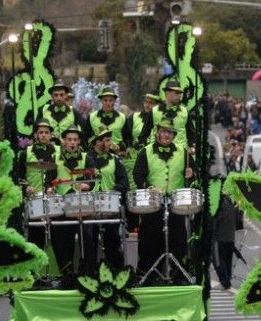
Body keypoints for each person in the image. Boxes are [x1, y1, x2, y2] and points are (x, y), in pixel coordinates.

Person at [132, 118, 195, 281]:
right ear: (157, 133)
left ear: (174, 135)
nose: (166, 135)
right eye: (163, 131)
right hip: (153, 202)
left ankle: (177, 273)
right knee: (150, 237)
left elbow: (194, 175)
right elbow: (138, 175)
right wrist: (148, 187)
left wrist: (191, 174)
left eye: (169, 132)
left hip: (175, 202)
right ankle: (148, 272)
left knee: (178, 237)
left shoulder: (183, 152)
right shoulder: (145, 152)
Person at [50, 125, 92, 281]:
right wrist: (50, 189)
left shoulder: (87, 157)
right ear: (63, 142)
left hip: (81, 203)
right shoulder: (55, 158)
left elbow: (92, 180)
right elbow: (49, 180)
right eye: (69, 140)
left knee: (87, 235)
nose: (72, 142)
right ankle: (66, 275)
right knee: (62, 239)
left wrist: (86, 185)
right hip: (62, 204)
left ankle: (87, 273)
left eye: (75, 139)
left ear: (79, 141)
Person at [13, 119, 57, 254]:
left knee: (56, 234)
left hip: (54, 198)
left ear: (50, 135)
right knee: (35, 235)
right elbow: (18, 177)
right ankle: (35, 268)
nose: (43, 135)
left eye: (46, 132)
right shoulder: (25, 153)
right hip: (33, 200)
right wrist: (25, 188)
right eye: (41, 132)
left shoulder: (57, 152)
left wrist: (53, 186)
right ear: (36, 135)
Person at [88, 127, 128, 268]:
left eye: (109, 139)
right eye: (106, 140)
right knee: (89, 240)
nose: (109, 143)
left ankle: (115, 269)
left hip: (110, 205)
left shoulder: (115, 160)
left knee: (112, 239)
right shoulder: (86, 159)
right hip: (90, 206)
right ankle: (90, 270)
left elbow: (124, 182)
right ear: (97, 142)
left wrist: (113, 191)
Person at [212, 178, 242, 289]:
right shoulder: (233, 200)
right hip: (230, 236)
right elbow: (238, 218)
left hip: (219, 236)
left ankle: (225, 281)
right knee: (227, 259)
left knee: (218, 260)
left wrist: (211, 231)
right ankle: (227, 280)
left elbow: (216, 219)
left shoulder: (219, 202)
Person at [156, 79, 191, 148]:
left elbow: (191, 134)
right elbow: (145, 134)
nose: (179, 96)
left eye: (180, 93)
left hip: (180, 154)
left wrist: (192, 146)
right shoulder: (154, 111)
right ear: (167, 93)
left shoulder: (184, 112)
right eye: (176, 93)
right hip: (158, 154)